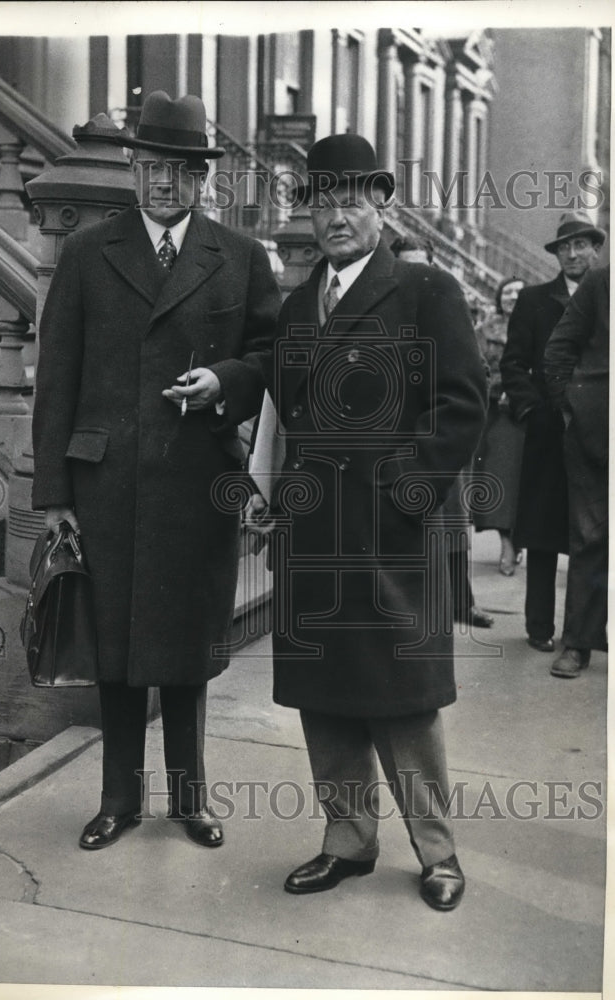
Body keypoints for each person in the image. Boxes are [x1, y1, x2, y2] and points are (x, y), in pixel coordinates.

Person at [32, 91, 281, 851]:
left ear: (201, 179)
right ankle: (117, 801)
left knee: (186, 651)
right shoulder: (87, 253)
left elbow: (274, 357)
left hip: (196, 481)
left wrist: (226, 383)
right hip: (106, 484)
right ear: (134, 171)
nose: (161, 183)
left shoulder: (239, 256)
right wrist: (54, 497)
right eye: (149, 167)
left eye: (176, 170)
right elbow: (56, 380)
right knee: (115, 652)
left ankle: (189, 801)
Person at [249, 134, 487, 910]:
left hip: (391, 538)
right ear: (310, 212)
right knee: (326, 696)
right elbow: (280, 412)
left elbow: (461, 407)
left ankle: (438, 853)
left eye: (353, 200)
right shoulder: (294, 308)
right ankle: (347, 842)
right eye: (324, 201)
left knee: (405, 700)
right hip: (316, 539)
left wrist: (405, 493)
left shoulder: (427, 293)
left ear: (382, 206)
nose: (337, 216)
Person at [500, 212, 604, 653]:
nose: (573, 253)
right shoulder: (534, 299)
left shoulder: (605, 295)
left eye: (581, 245)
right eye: (565, 247)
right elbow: (513, 363)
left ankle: (587, 631)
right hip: (550, 429)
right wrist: (533, 411)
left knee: (591, 534)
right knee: (543, 533)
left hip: (595, 428)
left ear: (595, 249)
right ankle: (539, 625)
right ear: (557, 254)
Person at [390, 235, 494, 629]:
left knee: (453, 520)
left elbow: (476, 369)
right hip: (401, 433)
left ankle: (462, 600)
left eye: (424, 264)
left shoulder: (448, 305)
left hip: (442, 428)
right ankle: (423, 604)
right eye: (408, 264)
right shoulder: (387, 305)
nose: (418, 273)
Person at [544, 264, 609, 678]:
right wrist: (572, 409)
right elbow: (558, 349)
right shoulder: (603, 281)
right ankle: (577, 645)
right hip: (596, 429)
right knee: (590, 537)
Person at [473, 276, 526, 575]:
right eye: (507, 292)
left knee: (522, 484)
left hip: (527, 413)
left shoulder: (539, 328)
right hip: (497, 414)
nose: (513, 297)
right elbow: (475, 365)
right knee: (499, 480)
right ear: (499, 297)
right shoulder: (484, 331)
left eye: (519, 292)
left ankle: (517, 540)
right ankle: (507, 542)